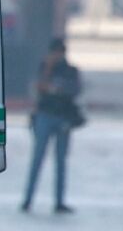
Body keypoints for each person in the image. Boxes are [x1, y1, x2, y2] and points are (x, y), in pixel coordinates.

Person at [21, 38, 82, 214]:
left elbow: (72, 90)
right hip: (44, 115)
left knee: (61, 160)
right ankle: (28, 199)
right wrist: (48, 72)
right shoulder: (43, 67)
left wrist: (54, 88)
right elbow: (39, 87)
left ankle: (59, 201)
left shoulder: (70, 70)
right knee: (37, 158)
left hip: (62, 117)